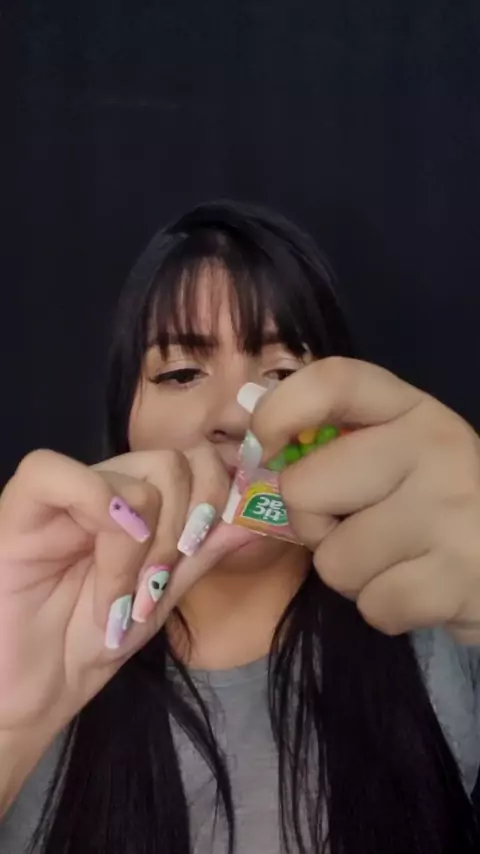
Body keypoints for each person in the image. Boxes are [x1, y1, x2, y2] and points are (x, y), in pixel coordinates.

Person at [0, 200, 479, 854]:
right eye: (181, 373)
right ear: (124, 423)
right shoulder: (35, 641)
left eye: (282, 373)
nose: (233, 414)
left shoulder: (435, 625)